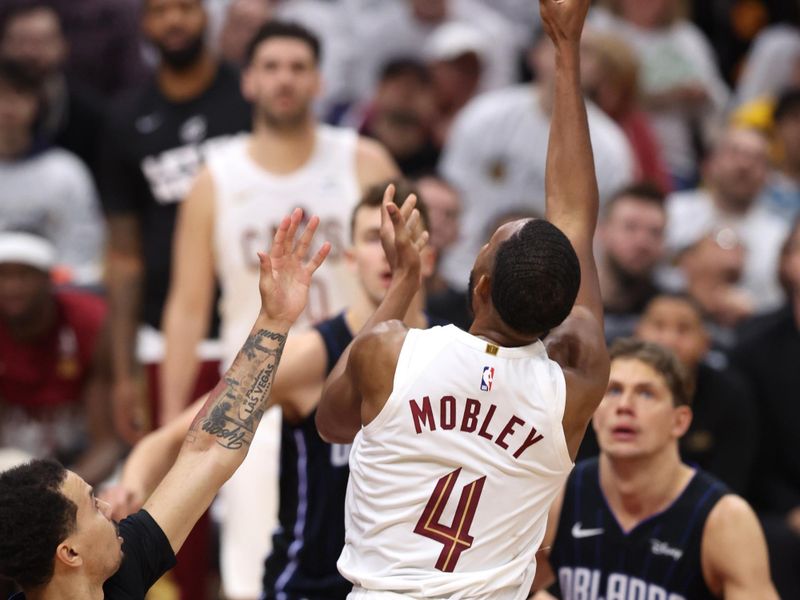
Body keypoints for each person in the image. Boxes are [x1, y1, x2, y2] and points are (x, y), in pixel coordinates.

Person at [316, 1, 610, 596]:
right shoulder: (573, 384)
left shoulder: (390, 351)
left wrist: (402, 283)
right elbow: (576, 218)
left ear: (478, 286)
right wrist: (565, 49)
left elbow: (332, 423)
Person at [104, 182, 435, 600]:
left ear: (429, 254)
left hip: (413, 587)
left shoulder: (452, 352)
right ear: (350, 259)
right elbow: (173, 439)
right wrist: (129, 487)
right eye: (374, 238)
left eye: (399, 236)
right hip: (310, 586)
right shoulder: (310, 355)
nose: (389, 249)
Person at [160, 21, 398, 599]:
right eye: (270, 66)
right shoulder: (215, 177)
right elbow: (189, 306)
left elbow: (406, 272)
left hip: (355, 390)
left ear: (318, 79)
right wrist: (173, 427)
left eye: (297, 66)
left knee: (371, 559)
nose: (284, 79)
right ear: (247, 82)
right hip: (257, 400)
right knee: (250, 568)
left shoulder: (364, 160)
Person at [0, 207, 330, 600]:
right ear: (70, 553)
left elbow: (208, 450)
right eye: (92, 506)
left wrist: (274, 322)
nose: (108, 508)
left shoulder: (123, 567)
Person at [99, 0, 251, 442]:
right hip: (162, 332)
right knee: (171, 480)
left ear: (207, 14)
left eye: (185, 7)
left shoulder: (247, 97)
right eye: (159, 10)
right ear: (143, 23)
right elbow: (123, 256)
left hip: (248, 323)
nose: (174, 21)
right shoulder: (125, 117)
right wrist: (124, 374)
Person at [532, 338, 778, 600]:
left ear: (680, 421)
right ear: (596, 412)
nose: (624, 406)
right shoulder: (558, 493)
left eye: (646, 393)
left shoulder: (725, 520)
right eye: (614, 390)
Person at [437, 21, 633, 292]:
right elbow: (450, 196)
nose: (568, 55)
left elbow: (603, 236)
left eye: (582, 49)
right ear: (534, 53)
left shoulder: (610, 148)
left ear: (600, 70)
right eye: (557, 42)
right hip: (462, 275)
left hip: (547, 293)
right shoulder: (484, 116)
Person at [0, 232, 120, 485]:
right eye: (3, 276)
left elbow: (107, 444)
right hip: (10, 466)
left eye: (24, 275)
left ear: (48, 278)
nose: (12, 287)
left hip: (77, 462)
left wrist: (62, 493)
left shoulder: (88, 323)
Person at [731, 217, 800, 599]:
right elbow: (750, 458)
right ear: (787, 262)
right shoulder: (753, 348)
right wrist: (791, 510)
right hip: (777, 511)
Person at [635, 293, 758, 494]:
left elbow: (729, 482)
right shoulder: (610, 388)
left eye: (683, 329)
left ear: (706, 342)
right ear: (637, 333)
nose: (668, 340)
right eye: (658, 326)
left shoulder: (730, 394)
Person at [0, 60, 104, 287]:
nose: (7, 108)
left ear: (37, 103)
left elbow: (82, 258)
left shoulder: (66, 172)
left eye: (18, 95)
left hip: (54, 300)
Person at [665, 125, 789, 315]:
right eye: (734, 153)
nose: (744, 165)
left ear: (768, 176)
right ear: (709, 163)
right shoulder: (672, 213)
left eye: (757, 159)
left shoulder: (781, 236)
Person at [597, 183, 667, 343]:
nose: (642, 242)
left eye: (655, 232)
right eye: (630, 227)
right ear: (603, 231)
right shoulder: (571, 304)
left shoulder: (670, 310)